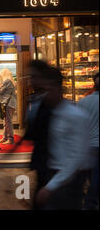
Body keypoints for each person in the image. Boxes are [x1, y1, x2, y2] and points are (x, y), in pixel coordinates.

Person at [24, 61, 90, 210]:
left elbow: (77, 157)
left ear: (57, 88)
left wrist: (52, 185)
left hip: (67, 180)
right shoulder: (51, 111)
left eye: (48, 89)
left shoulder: (74, 115)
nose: (45, 94)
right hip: (53, 174)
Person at [77, 72, 99, 210]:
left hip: (86, 143)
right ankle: (90, 202)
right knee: (96, 176)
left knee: (89, 175)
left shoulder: (84, 101)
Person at [0, 68, 17, 145]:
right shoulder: (10, 81)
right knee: (6, 122)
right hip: (9, 104)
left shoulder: (7, 81)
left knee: (8, 122)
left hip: (8, 104)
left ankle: (10, 139)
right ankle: (5, 138)